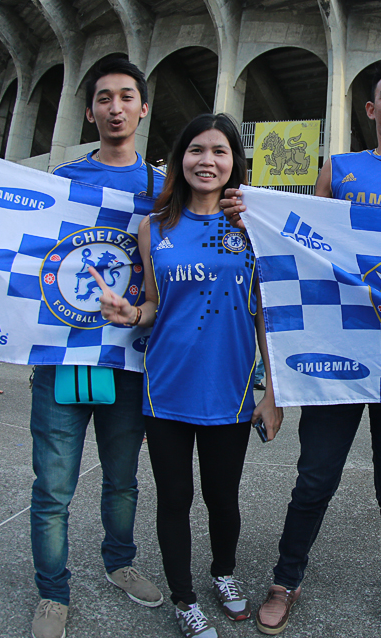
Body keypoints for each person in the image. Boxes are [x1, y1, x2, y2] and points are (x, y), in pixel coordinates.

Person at [225, 56, 381, 638]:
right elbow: (303, 250)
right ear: (370, 108)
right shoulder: (339, 168)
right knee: (315, 478)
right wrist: (252, 216)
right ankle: (285, 580)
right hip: (338, 355)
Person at [0, 57, 167, 638]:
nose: (115, 108)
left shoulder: (162, 188)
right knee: (52, 487)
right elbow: (8, 252)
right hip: (60, 357)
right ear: (89, 111)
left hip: (127, 361)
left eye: (126, 97)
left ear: (143, 109)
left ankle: (119, 561)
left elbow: (188, 254)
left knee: (122, 479)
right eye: (103, 98)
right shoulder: (60, 181)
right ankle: (53, 592)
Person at [96, 113, 282, 638]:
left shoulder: (251, 226)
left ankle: (223, 573)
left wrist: (274, 392)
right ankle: (184, 598)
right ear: (180, 160)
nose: (207, 160)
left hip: (231, 388)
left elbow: (267, 313)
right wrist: (131, 313)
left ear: (233, 163)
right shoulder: (153, 227)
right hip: (166, 388)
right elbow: (154, 303)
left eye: (219, 151)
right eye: (196, 150)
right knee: (174, 499)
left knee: (223, 498)